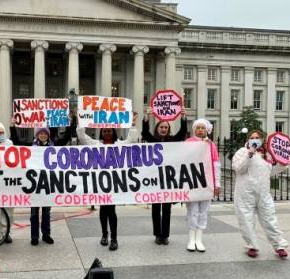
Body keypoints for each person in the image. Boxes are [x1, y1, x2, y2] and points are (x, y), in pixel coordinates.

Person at [76, 113, 139, 251]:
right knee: (103, 210)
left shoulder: (120, 145)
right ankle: (104, 235)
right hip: (100, 183)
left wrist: (133, 124)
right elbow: (82, 137)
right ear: (101, 133)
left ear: (113, 132)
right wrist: (80, 122)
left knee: (111, 210)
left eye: (109, 130)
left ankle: (114, 239)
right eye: (104, 131)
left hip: (114, 183)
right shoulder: (96, 144)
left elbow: (132, 139)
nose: (107, 133)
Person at [11, 123, 72, 246]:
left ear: (48, 135)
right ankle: (34, 236)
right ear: (37, 135)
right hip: (34, 184)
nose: (43, 135)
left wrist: (72, 122)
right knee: (34, 213)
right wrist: (13, 126)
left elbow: (66, 138)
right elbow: (17, 142)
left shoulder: (54, 145)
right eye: (41, 133)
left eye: (45, 133)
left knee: (46, 212)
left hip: (48, 184)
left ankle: (46, 235)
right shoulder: (31, 146)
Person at [232, 129, 289, 258]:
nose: (254, 139)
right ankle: (252, 246)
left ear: (262, 139)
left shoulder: (268, 155)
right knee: (246, 220)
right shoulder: (241, 152)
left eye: (257, 137)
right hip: (245, 193)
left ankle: (279, 245)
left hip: (263, 193)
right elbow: (238, 168)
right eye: (252, 137)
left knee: (270, 219)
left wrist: (283, 164)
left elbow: (270, 171)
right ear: (248, 139)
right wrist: (249, 155)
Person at [142, 107, 187, 245]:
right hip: (155, 179)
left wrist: (183, 116)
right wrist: (146, 116)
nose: (163, 129)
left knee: (167, 209)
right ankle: (157, 234)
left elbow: (183, 132)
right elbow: (144, 132)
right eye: (161, 126)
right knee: (156, 209)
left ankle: (165, 235)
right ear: (158, 128)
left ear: (168, 129)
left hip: (168, 180)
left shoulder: (173, 140)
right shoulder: (152, 140)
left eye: (166, 127)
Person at [185, 119, 221, 252]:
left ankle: (199, 238)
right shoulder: (188, 143)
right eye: (198, 127)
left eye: (202, 128)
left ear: (207, 130)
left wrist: (217, 184)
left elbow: (216, 164)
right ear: (194, 129)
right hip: (193, 181)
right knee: (192, 210)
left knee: (204, 211)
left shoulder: (211, 145)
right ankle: (191, 238)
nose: (200, 130)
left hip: (208, 181)